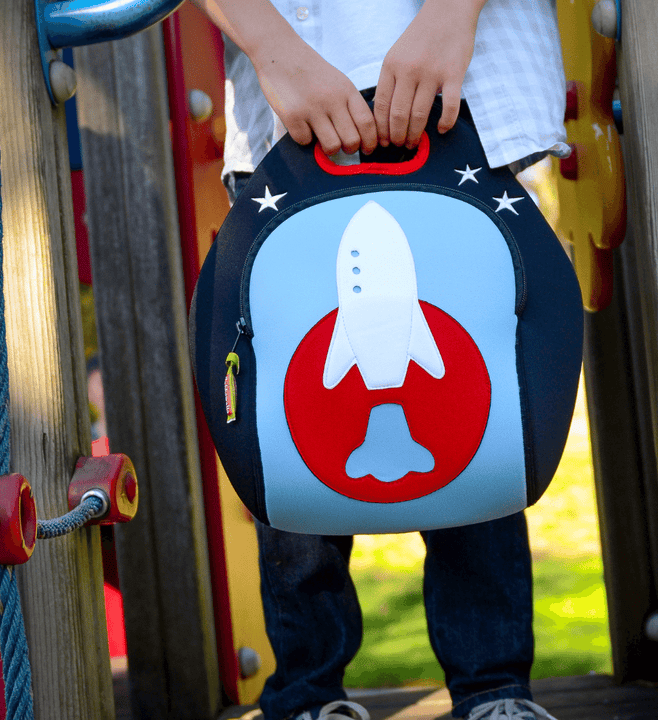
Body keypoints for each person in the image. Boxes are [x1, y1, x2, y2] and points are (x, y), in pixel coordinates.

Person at [191, 2, 570, 719]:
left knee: (473, 424)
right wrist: (275, 49)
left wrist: (451, 17)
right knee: (299, 439)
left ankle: (492, 688)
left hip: (466, 89)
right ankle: (307, 691)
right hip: (294, 106)